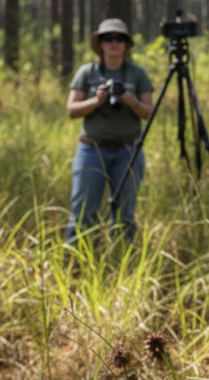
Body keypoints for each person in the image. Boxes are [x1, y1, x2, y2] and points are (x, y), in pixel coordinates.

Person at [65, 18, 154, 244]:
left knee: (125, 213)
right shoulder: (87, 72)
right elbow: (72, 110)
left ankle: (123, 262)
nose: (114, 42)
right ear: (100, 44)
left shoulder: (137, 73)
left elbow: (149, 113)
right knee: (83, 211)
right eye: (108, 38)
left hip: (128, 151)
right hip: (91, 150)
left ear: (126, 44)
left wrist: (130, 100)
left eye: (119, 38)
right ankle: (77, 264)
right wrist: (96, 101)